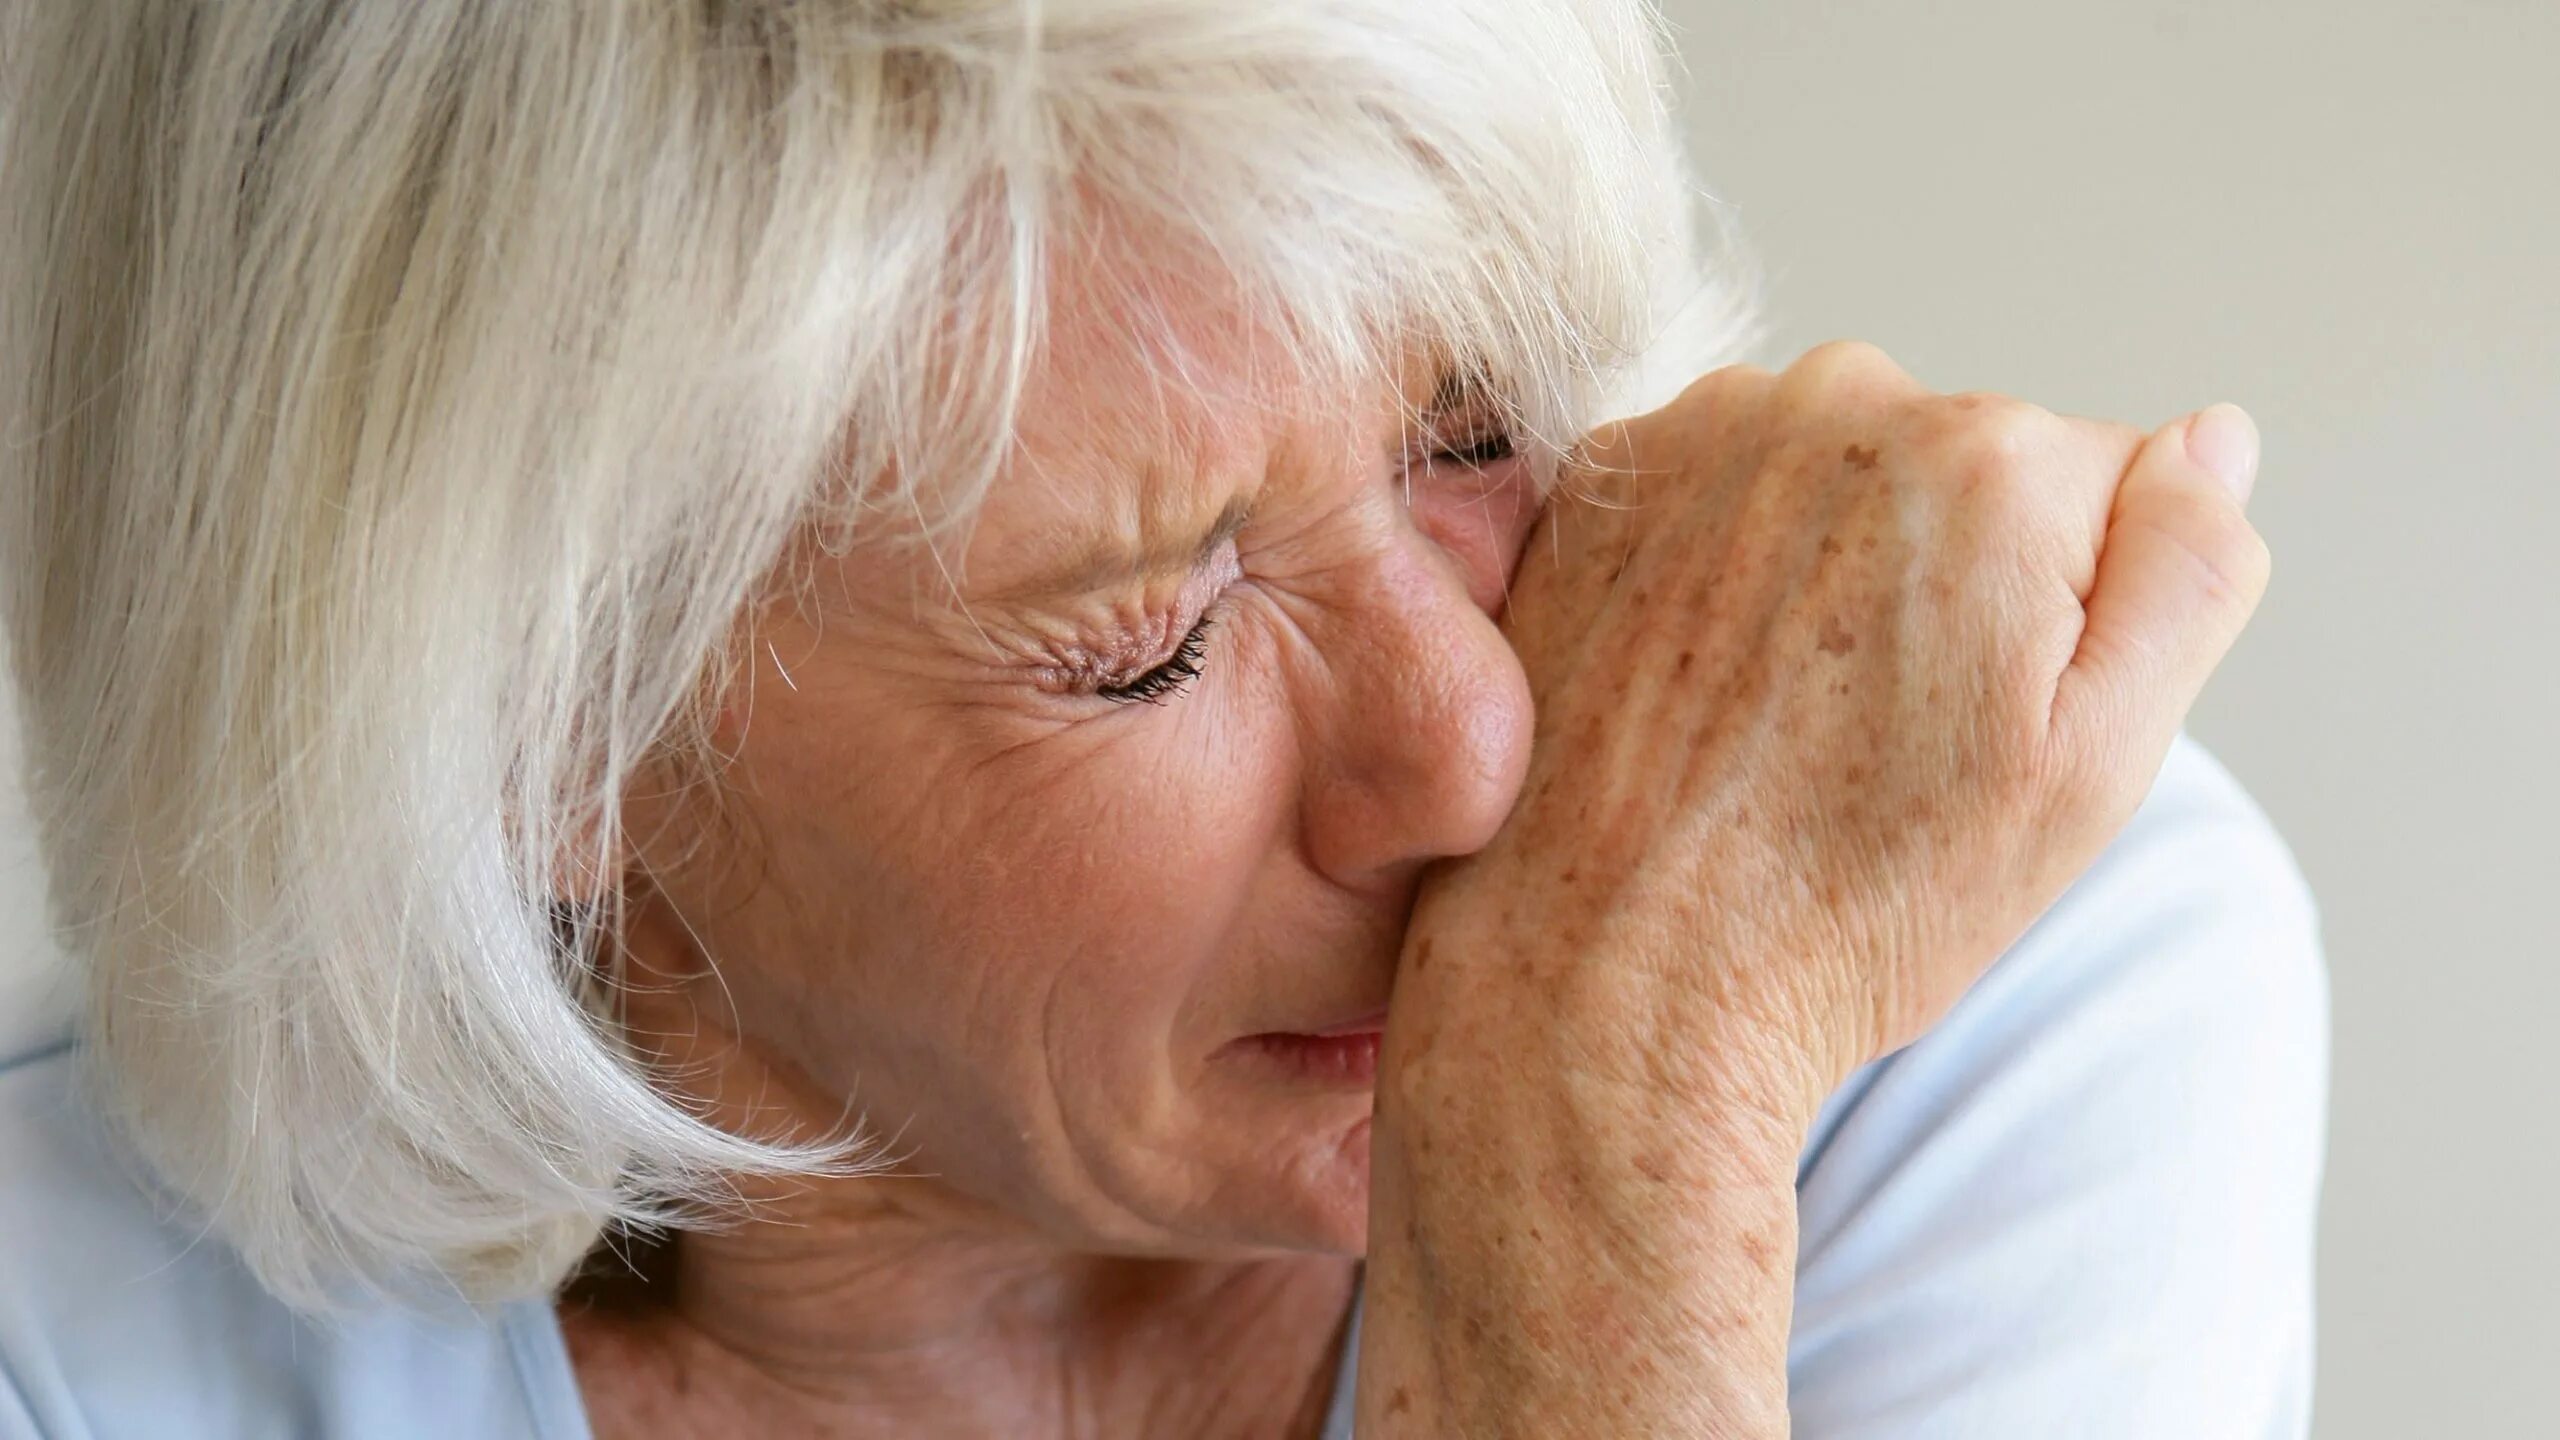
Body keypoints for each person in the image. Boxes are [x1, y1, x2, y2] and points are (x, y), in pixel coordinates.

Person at [0, 2, 2324, 1436]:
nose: (1473, 744)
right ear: (530, 739)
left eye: (1474, 432)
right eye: (1146, 637)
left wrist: (1630, 1099)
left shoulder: (1989, 1003)